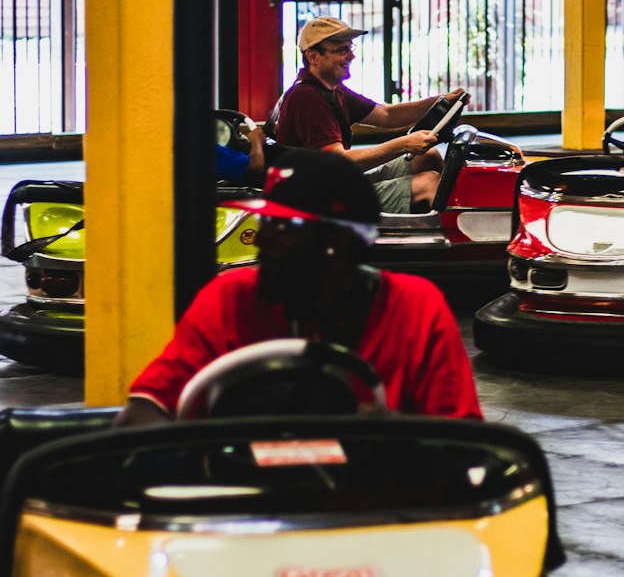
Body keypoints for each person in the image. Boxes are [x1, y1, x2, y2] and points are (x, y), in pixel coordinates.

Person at [115, 151, 483, 426]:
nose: (262, 239)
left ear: (338, 241)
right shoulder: (231, 297)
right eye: (265, 221)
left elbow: (461, 439)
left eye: (284, 226)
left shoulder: (413, 309)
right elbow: (150, 404)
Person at [267, 17, 466, 212]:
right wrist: (403, 144)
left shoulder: (333, 89)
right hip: (318, 200)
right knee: (429, 184)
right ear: (312, 56)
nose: (351, 56)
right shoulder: (307, 98)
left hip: (337, 183)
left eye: (350, 48)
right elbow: (338, 161)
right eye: (341, 50)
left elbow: (386, 115)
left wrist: (440, 101)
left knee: (428, 157)